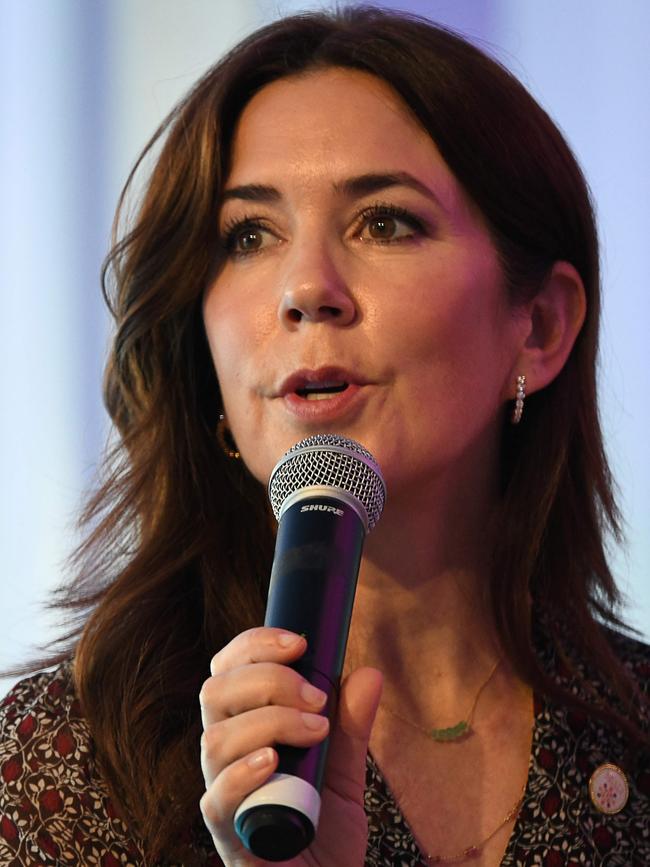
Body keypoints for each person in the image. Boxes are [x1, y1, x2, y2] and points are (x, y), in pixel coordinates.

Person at [1, 6, 648, 866]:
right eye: (249, 235)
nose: (306, 288)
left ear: (539, 326)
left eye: (384, 222)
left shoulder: (632, 733)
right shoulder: (68, 763)